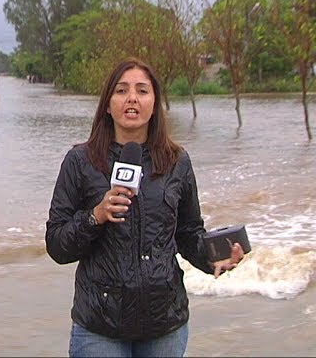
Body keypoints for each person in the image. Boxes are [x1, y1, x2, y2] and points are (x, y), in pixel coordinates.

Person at [45, 57, 246, 358]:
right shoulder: (80, 161)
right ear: (108, 104)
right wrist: (95, 217)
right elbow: (57, 244)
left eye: (142, 90)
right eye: (121, 90)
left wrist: (213, 259)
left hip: (165, 324)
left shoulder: (177, 161)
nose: (132, 99)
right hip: (100, 326)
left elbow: (188, 232)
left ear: (155, 103)